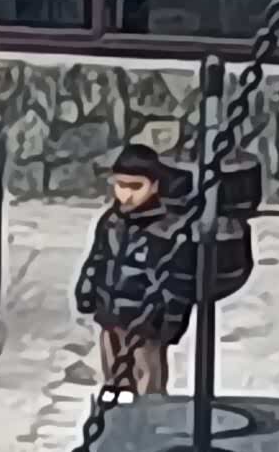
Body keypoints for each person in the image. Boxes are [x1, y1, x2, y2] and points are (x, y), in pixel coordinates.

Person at [74, 139, 191, 394]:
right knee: (113, 376)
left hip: (147, 321)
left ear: (154, 185)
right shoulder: (111, 221)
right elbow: (98, 257)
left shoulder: (168, 229)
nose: (126, 194)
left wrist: (163, 322)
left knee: (146, 377)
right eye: (120, 185)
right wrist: (87, 288)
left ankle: (149, 414)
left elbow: (174, 284)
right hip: (110, 311)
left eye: (136, 186)